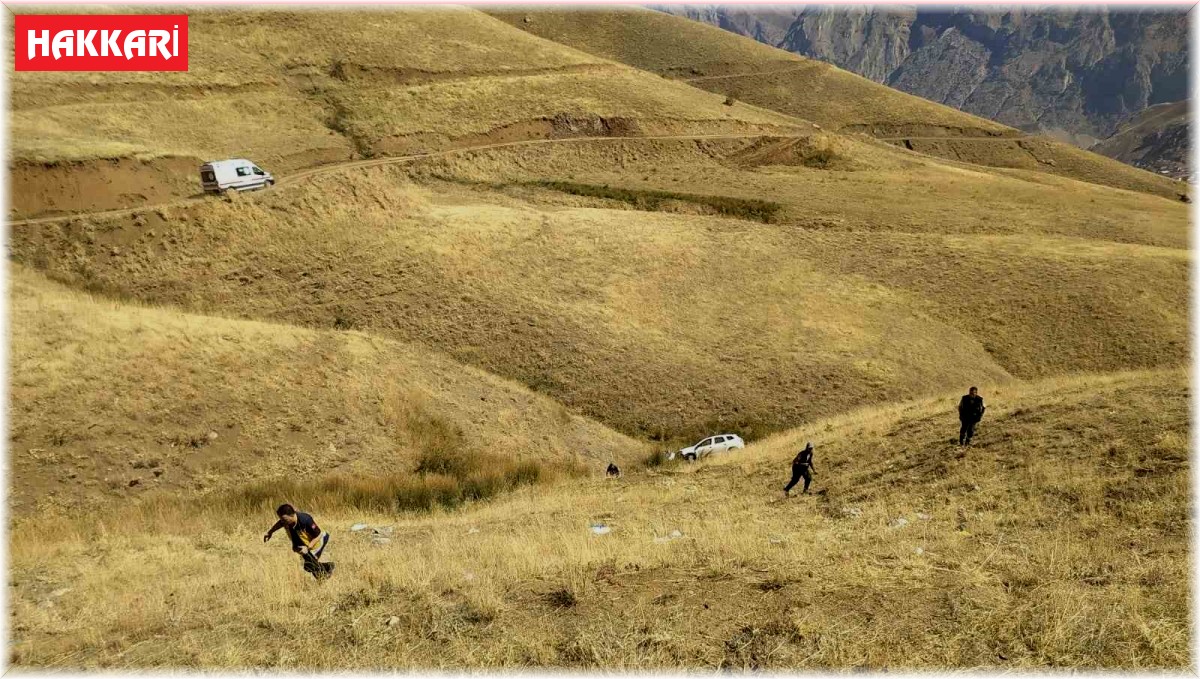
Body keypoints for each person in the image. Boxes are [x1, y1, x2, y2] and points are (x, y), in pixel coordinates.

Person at [264, 503, 333, 578]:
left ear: (292, 515)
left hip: (317, 543)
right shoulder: (287, 521)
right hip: (305, 546)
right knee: (312, 566)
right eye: (281, 519)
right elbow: (280, 523)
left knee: (309, 565)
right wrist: (270, 532)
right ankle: (323, 577)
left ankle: (329, 566)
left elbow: (319, 535)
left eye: (284, 519)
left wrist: (308, 547)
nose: (283, 522)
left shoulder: (305, 520)